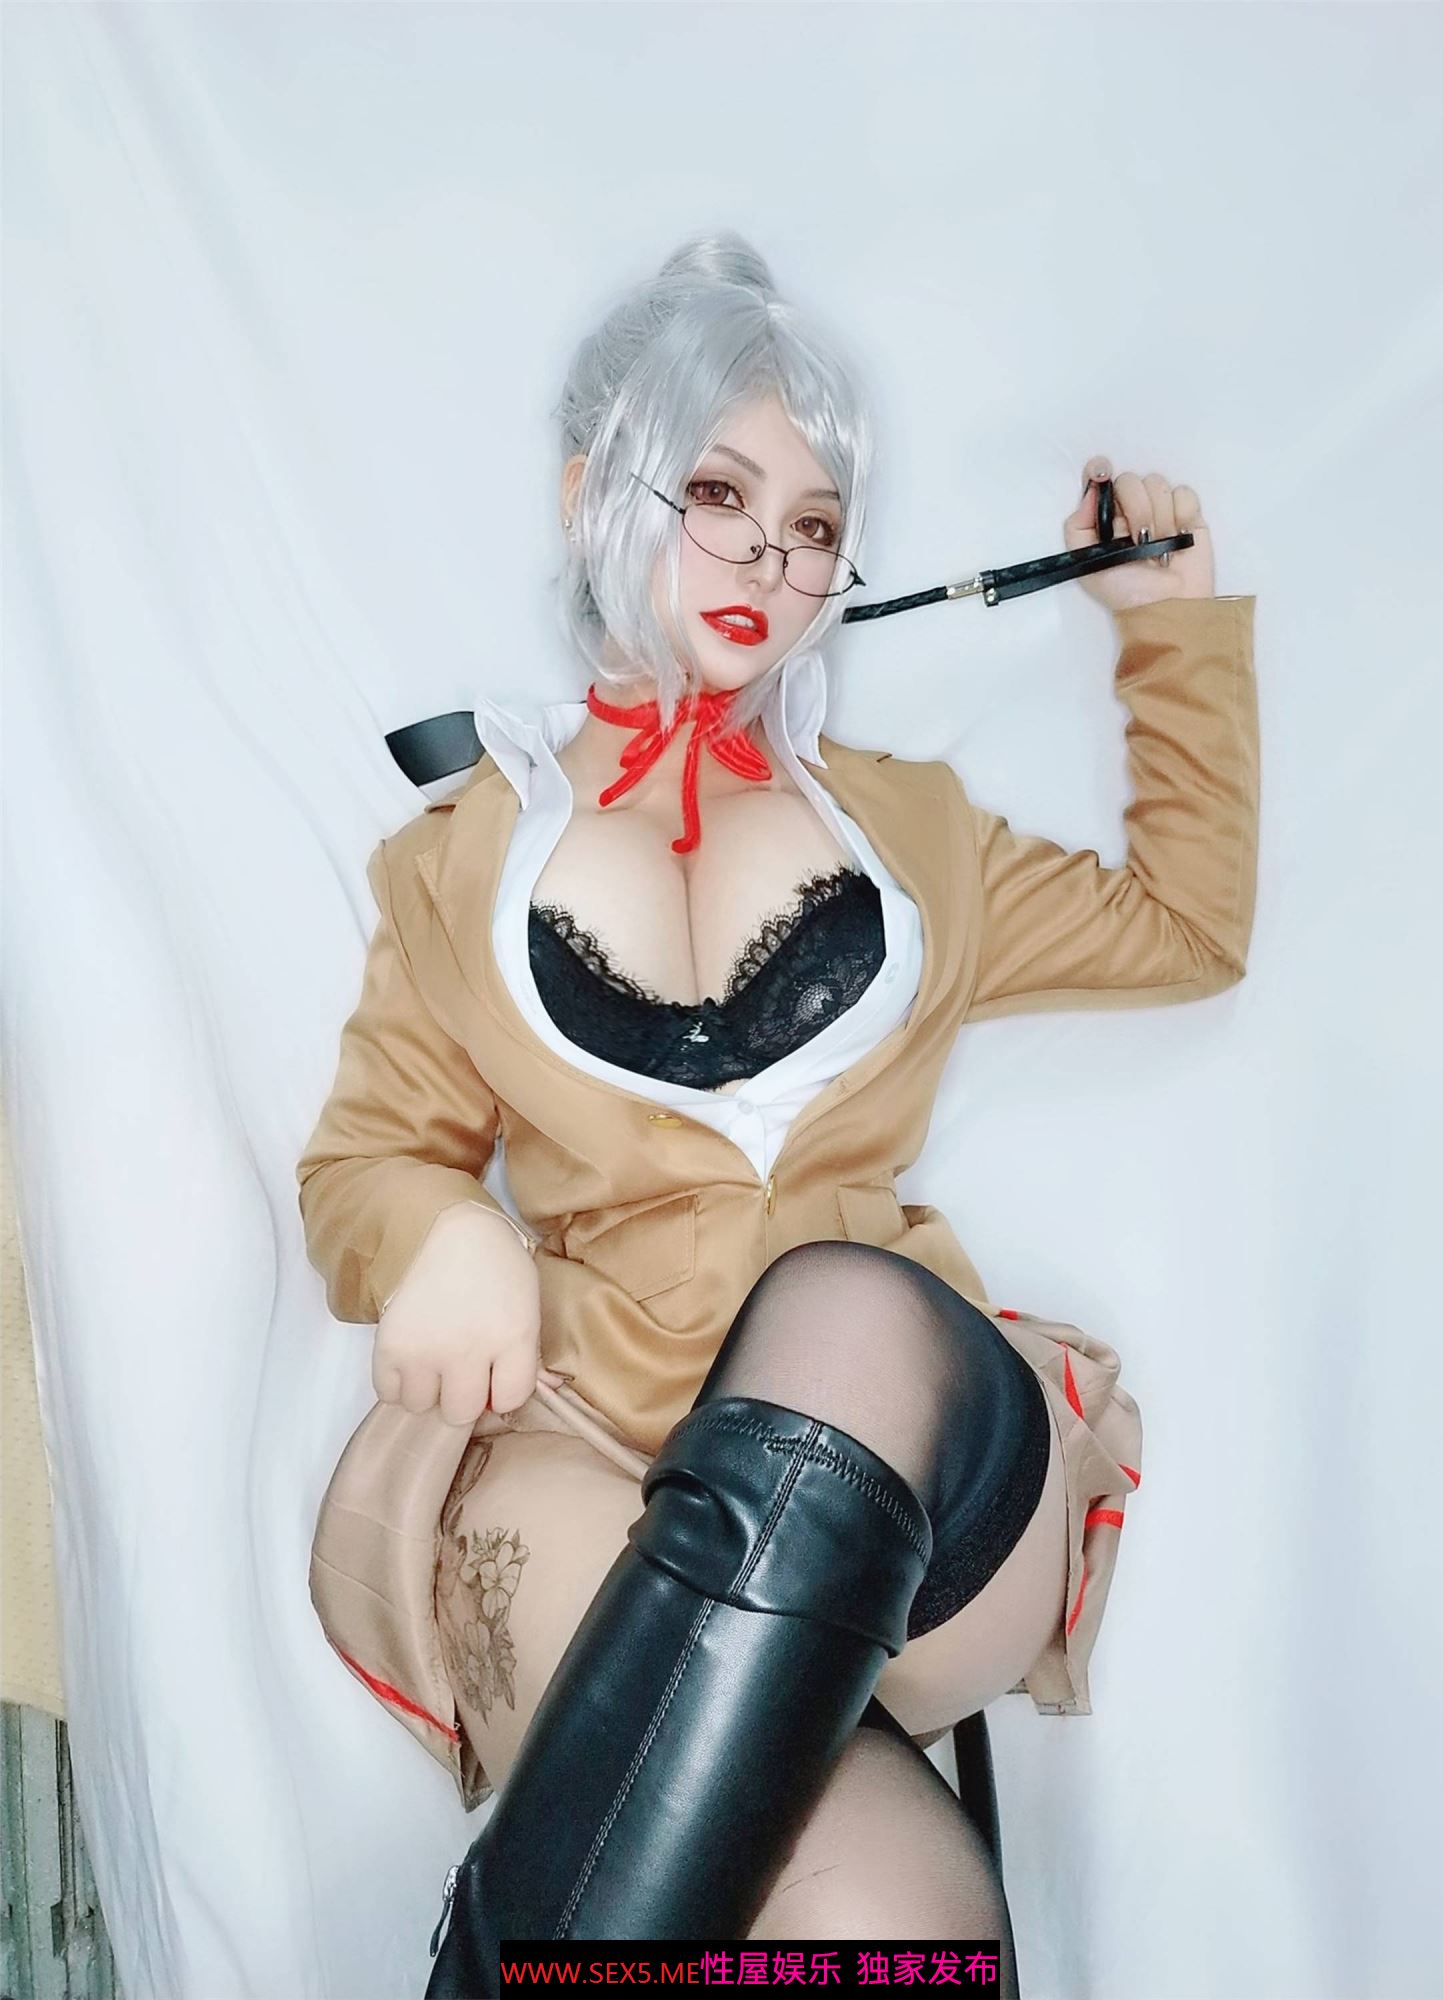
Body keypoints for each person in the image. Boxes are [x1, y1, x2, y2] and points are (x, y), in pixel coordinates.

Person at [294, 229, 1259, 1972]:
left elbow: (1190, 928)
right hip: (596, 1465)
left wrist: (1168, 634)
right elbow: (366, 1159)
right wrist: (441, 1231)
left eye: (814, 526)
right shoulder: (460, 860)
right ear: (593, 493)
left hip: (913, 1491)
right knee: (893, 1909)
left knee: (843, 1308)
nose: (770, 558)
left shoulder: (918, 834)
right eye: (720, 494)